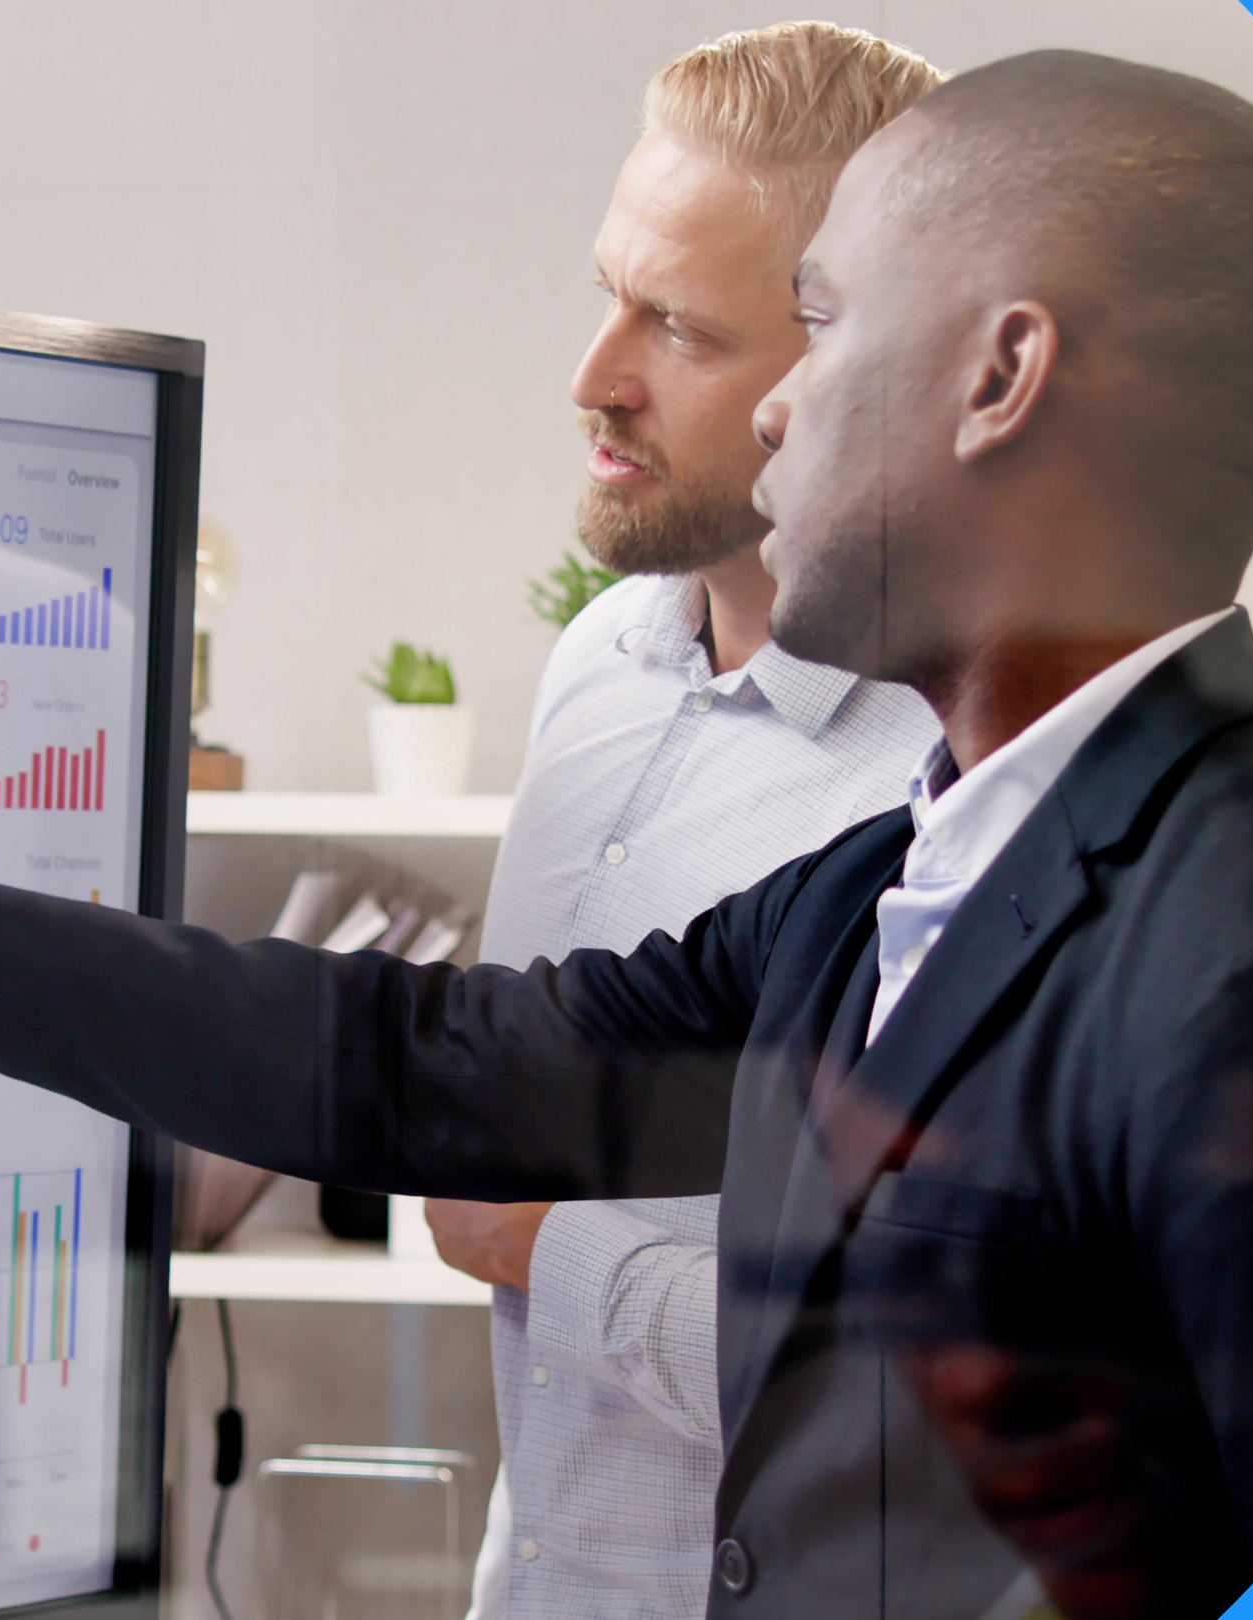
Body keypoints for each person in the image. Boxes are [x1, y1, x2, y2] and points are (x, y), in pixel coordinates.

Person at [0, 48, 1253, 1620]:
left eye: (827, 324)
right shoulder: (885, 892)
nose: (780, 398)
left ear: (1000, 378)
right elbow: (431, 1061)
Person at [415, 25, 949, 1620]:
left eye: (678, 329)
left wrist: (545, 1252)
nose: (595, 377)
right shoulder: (599, 661)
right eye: (608, 293)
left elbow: (937, 1385)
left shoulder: (954, 777)